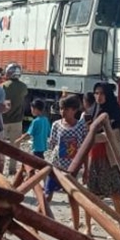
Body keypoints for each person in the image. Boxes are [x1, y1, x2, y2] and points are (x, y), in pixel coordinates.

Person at [83, 83, 120, 236]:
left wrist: (92, 137)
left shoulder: (115, 112)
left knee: (115, 193)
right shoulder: (92, 111)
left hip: (109, 158)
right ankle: (88, 228)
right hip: (93, 157)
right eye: (96, 93)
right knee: (90, 194)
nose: (99, 96)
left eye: (102, 93)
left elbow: (113, 134)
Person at [44, 94, 87, 230]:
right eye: (61, 109)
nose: (62, 112)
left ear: (74, 110)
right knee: (47, 195)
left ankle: (75, 227)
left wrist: (86, 169)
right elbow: (52, 144)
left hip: (71, 169)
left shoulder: (80, 127)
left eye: (66, 109)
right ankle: (40, 222)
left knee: (72, 197)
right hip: (56, 166)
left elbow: (84, 149)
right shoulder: (56, 125)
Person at [1, 63, 28, 175]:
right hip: (17, 120)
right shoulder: (23, 86)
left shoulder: (3, 86)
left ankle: (0, 167)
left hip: (3, 120)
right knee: (15, 146)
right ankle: (12, 169)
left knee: (1, 145)